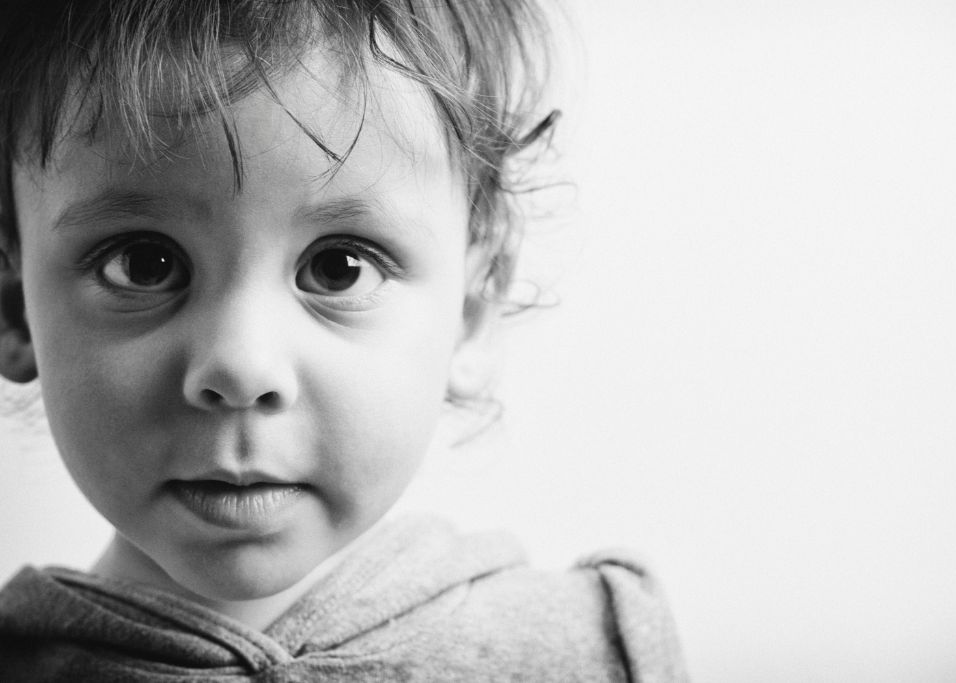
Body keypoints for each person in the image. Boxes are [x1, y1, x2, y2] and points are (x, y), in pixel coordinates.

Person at [0, 1, 685, 680]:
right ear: (13, 311)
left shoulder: (592, 653)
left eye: (338, 268)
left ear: (472, 310)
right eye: (145, 265)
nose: (241, 365)